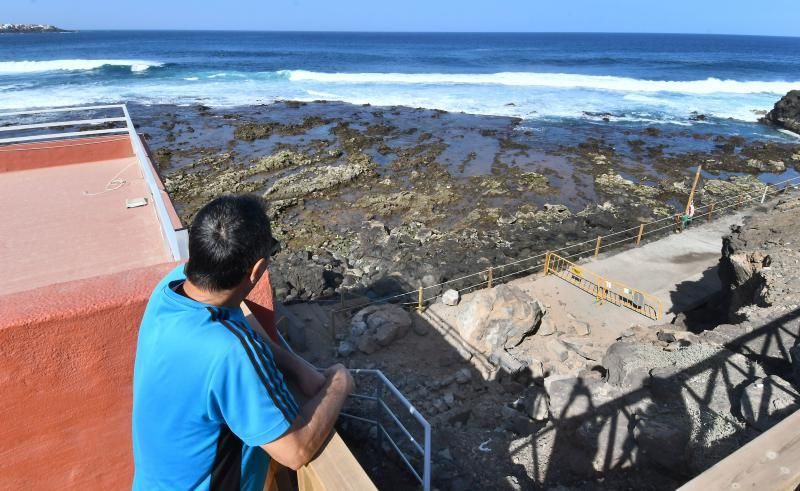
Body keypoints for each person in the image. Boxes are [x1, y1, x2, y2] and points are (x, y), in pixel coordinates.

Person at [132, 194, 354, 490]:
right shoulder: (230, 353)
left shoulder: (168, 291)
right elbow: (295, 451)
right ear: (257, 270)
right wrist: (338, 382)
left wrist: (297, 367)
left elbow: (236, 327)